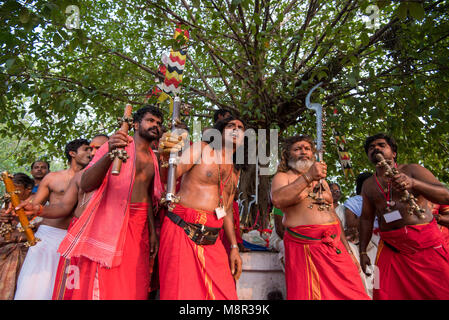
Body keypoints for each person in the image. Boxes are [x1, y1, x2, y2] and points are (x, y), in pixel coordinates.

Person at [57, 106, 163, 300]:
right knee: (106, 279)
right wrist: (110, 154)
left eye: (158, 123)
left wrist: (152, 231)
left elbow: (148, 196)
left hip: (139, 226)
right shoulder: (117, 144)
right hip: (113, 220)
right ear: (136, 124)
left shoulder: (153, 157)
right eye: (150, 121)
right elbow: (87, 183)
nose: (155, 126)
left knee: (133, 282)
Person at [271, 135, 369, 300]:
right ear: (288, 155)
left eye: (307, 148)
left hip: (334, 246)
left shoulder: (322, 181)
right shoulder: (283, 177)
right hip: (305, 247)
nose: (304, 152)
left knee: (354, 293)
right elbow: (278, 199)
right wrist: (308, 176)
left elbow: (333, 216)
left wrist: (348, 251)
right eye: (297, 149)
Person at [158, 115, 245, 300]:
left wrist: (234, 247)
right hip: (182, 229)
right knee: (181, 295)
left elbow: (227, 210)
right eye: (231, 126)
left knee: (227, 295)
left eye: (241, 127)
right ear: (220, 132)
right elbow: (171, 175)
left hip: (212, 239)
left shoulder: (236, 170)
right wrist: (166, 155)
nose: (236, 129)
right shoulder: (201, 149)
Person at [16, 135, 109, 299]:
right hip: (47, 236)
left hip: (73, 239)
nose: (90, 153)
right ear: (72, 153)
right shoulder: (53, 178)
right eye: (86, 149)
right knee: (35, 287)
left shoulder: (95, 178)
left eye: (93, 149)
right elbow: (35, 208)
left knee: (63, 288)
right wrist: (23, 212)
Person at [359, 133, 449, 300]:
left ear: (393, 153)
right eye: (371, 148)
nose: (376, 149)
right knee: (383, 293)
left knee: (442, 290)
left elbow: (445, 195)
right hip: (390, 248)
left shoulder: (412, 170)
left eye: (381, 145)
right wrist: (363, 251)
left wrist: (414, 183)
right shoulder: (368, 184)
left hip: (425, 243)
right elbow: (366, 219)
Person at [0, 173, 35, 300]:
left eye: (14, 187)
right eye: (8, 187)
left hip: (27, 256)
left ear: (28, 189)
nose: (10, 191)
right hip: (5, 254)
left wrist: (19, 236)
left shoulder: (38, 205)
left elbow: (42, 230)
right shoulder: (6, 206)